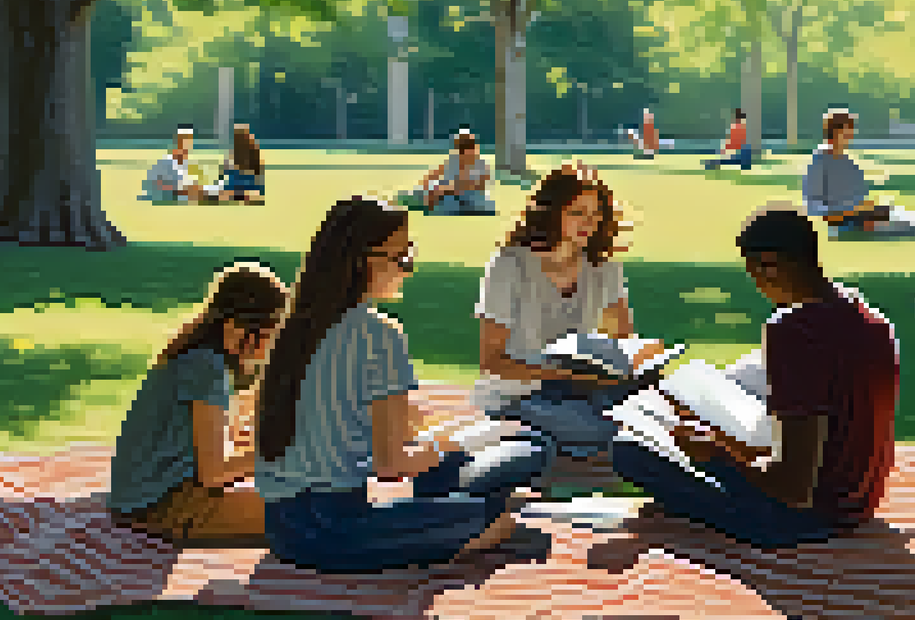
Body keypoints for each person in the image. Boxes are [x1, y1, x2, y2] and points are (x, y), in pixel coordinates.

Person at [256, 197, 555, 573]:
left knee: (467, 475)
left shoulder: (291, 329)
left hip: (282, 529)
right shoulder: (378, 335)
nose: (408, 270)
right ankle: (462, 528)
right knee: (497, 506)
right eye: (402, 258)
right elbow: (391, 465)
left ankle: (448, 521)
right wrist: (442, 448)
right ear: (365, 261)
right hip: (336, 528)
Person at [610, 205, 901, 548]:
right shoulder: (873, 321)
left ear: (770, 266)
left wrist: (719, 453)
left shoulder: (794, 331)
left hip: (798, 518)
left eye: (755, 273)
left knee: (629, 451)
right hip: (860, 504)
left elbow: (794, 487)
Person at [474, 162, 660, 462]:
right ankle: (528, 433)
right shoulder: (509, 265)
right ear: (551, 212)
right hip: (518, 393)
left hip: (580, 388)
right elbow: (492, 362)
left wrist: (644, 359)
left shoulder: (603, 266)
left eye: (595, 215)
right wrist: (566, 375)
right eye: (577, 213)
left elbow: (625, 340)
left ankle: (558, 436)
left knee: (658, 407)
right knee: (605, 430)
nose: (588, 223)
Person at [108, 262, 289, 545]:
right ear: (237, 327)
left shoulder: (199, 356)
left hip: (145, 496)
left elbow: (215, 440)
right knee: (306, 515)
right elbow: (215, 473)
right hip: (161, 504)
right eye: (273, 335)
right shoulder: (207, 367)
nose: (275, 346)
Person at [803, 108, 915, 239]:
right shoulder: (819, 161)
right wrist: (845, 210)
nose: (851, 136)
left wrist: (869, 206)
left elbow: (859, 199)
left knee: (909, 218)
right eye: (847, 131)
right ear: (836, 132)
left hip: (859, 215)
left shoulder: (849, 163)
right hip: (838, 219)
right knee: (902, 224)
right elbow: (812, 206)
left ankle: (878, 223)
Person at [407, 129, 494, 215]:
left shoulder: (481, 165)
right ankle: (414, 200)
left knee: (444, 201)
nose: (464, 151)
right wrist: (428, 186)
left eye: (468, 146)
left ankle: (426, 205)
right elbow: (435, 174)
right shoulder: (454, 160)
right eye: (461, 147)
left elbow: (469, 187)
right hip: (453, 196)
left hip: (472, 202)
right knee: (425, 191)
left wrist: (442, 190)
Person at [142, 126, 209, 203]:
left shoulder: (183, 164)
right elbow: (156, 186)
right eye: (184, 140)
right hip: (164, 194)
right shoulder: (165, 163)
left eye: (189, 141)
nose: (187, 146)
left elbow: (183, 186)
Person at [214, 124, 265, 203]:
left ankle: (235, 195)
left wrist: (219, 181)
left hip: (237, 187)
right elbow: (259, 176)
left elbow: (224, 173)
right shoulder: (253, 152)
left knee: (216, 191)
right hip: (245, 186)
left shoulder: (234, 155)